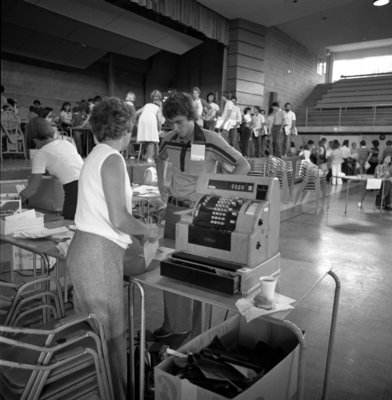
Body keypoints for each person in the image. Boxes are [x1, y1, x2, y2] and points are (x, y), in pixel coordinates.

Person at [66, 97, 159, 400]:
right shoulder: (113, 159)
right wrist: (148, 229)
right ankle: (117, 394)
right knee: (112, 337)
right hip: (99, 255)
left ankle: (98, 389)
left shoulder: (93, 154)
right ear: (127, 129)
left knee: (94, 333)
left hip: (83, 248)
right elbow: (119, 218)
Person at [154, 92, 250, 339]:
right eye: (171, 123)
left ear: (192, 117)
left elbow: (243, 165)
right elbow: (159, 156)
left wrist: (220, 194)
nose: (176, 128)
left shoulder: (211, 140)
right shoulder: (169, 139)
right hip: (174, 211)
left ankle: (196, 334)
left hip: (199, 215)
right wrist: (161, 184)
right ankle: (173, 327)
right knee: (172, 270)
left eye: (180, 123)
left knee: (199, 274)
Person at [19, 117, 83, 220]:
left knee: (69, 222)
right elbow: (66, 165)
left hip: (74, 188)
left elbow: (31, 190)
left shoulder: (41, 153)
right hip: (90, 182)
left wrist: (14, 201)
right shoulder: (66, 143)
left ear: (34, 138)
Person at [136, 89, 164, 163]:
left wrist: (135, 122)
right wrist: (160, 129)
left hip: (142, 119)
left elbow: (136, 113)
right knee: (151, 139)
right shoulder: (159, 107)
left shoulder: (147, 105)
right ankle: (150, 158)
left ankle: (144, 155)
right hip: (151, 120)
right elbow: (160, 119)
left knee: (145, 138)